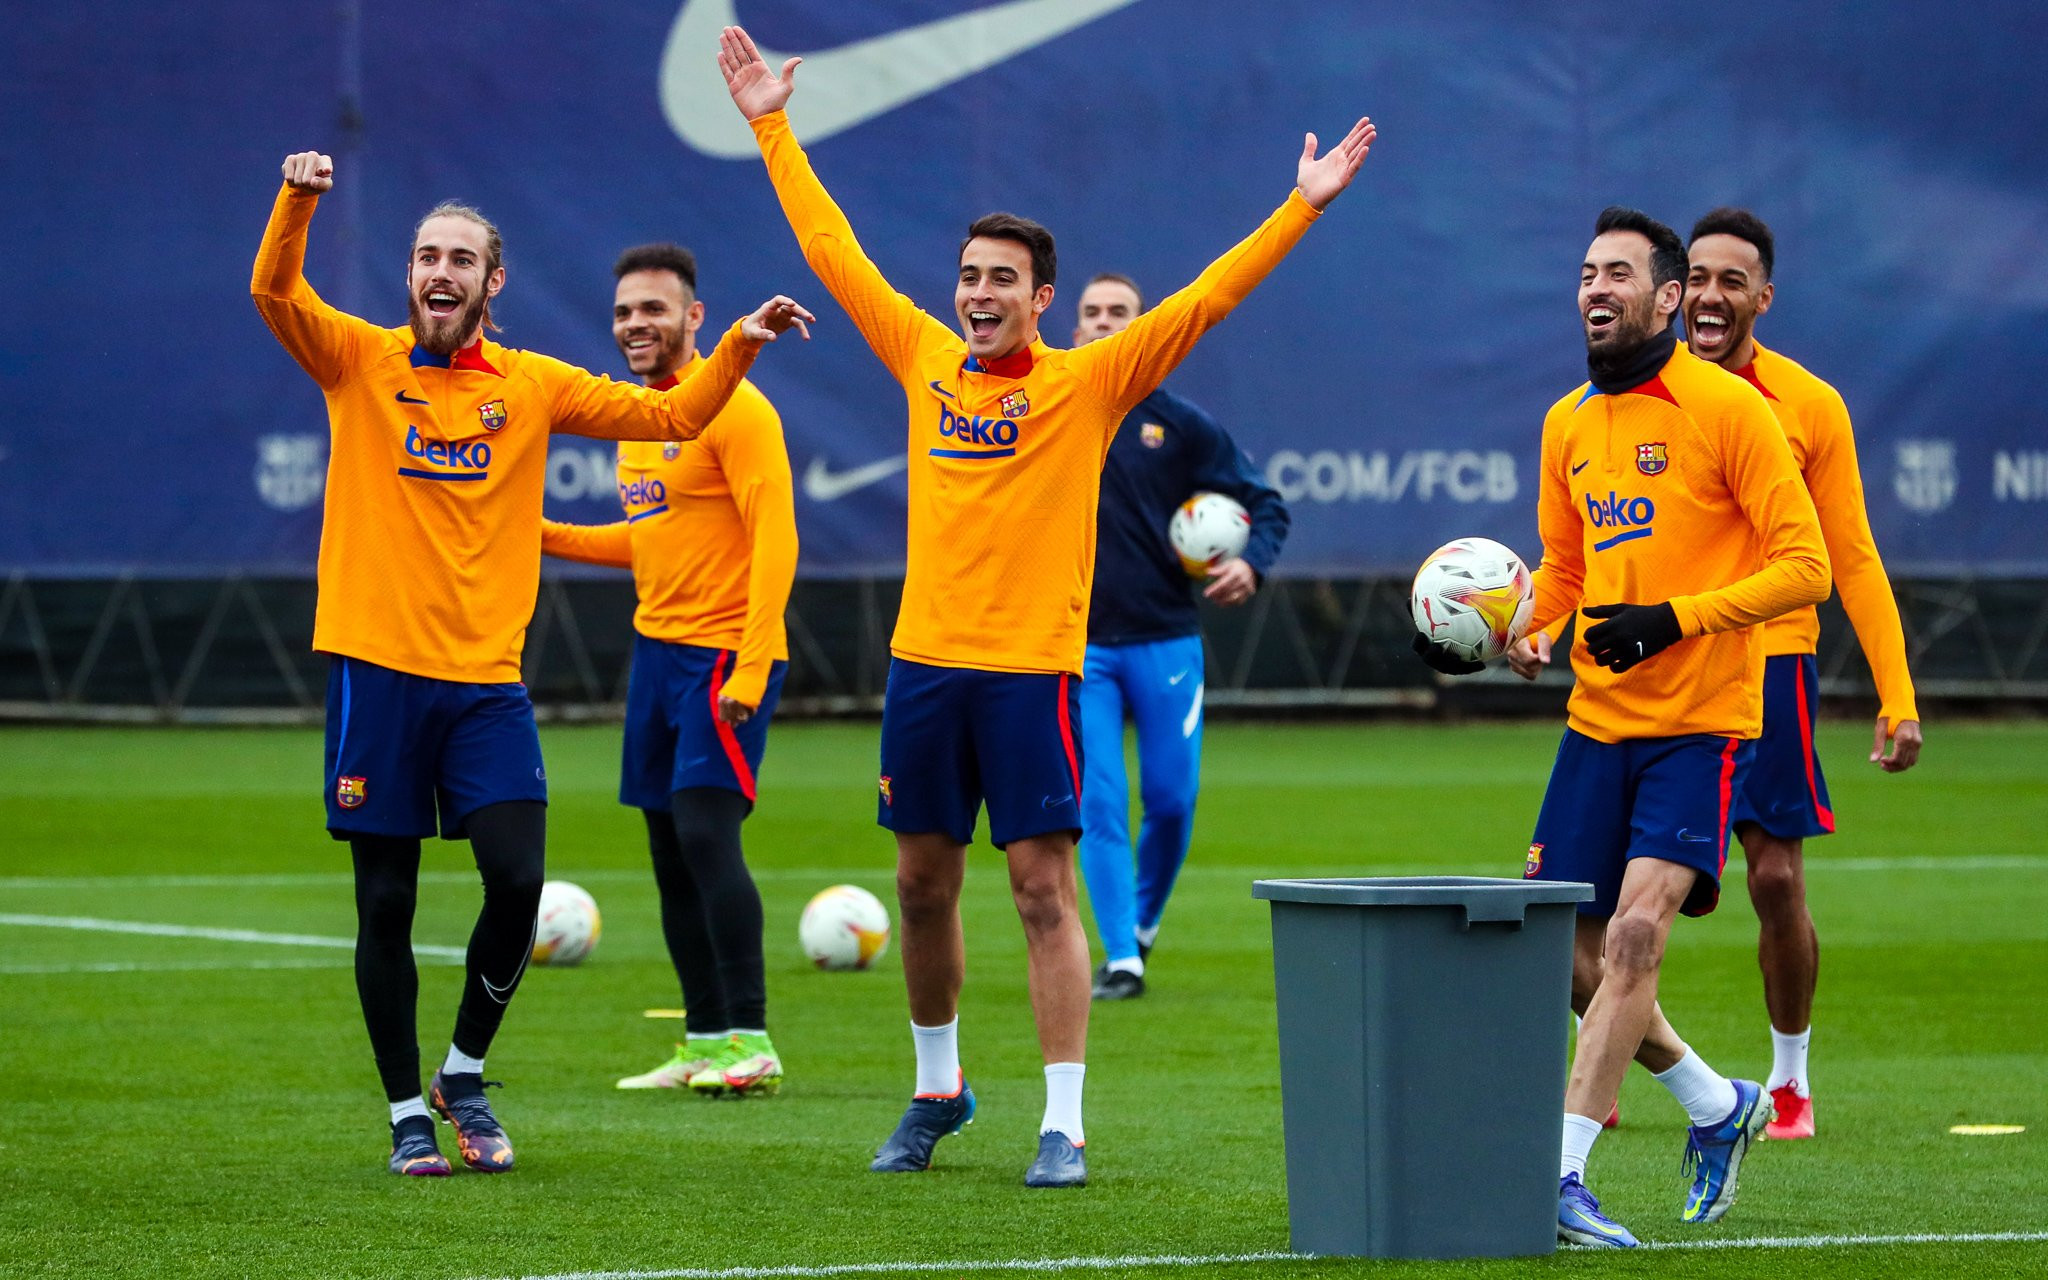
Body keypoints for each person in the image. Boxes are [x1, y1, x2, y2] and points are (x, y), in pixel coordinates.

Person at [716, 24, 1373, 1187]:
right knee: (920, 883)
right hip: (924, 664)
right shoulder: (920, 355)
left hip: (1032, 669)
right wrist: (771, 120)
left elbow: (1207, 301)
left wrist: (1300, 205)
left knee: (1037, 887)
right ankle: (937, 1088)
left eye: (1000, 280)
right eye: (967, 276)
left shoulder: (1090, 380)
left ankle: (1062, 1119)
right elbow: (830, 248)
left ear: (1042, 297)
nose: (976, 295)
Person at [252, 151, 810, 1176]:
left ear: (490, 283)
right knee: (386, 902)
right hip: (375, 671)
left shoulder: (534, 384)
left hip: (485, 685)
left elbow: (671, 414)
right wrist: (300, 201)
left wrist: (734, 345)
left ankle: (462, 1072)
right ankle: (402, 1110)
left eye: (461, 257)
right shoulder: (357, 361)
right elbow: (272, 289)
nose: (440, 269)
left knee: (517, 879)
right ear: (410, 271)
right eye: (426, 253)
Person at [1418, 207, 1830, 1246]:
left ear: (1666, 296)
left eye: (1616, 273)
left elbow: (1805, 566)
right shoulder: (1568, 422)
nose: (1594, 288)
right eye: (1584, 273)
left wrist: (1674, 621)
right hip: (1596, 722)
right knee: (1560, 949)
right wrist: (1527, 627)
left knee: (1639, 931)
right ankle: (1713, 1100)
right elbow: (1559, 565)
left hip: (1703, 721)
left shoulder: (1729, 410)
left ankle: (1559, 1175)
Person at [1682, 207, 1921, 1137]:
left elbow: (1852, 557)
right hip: (1661, 657)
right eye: (1698, 277)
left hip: (1772, 658)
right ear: (1675, 288)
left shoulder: (1808, 405)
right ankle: (1613, 1055)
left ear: (1762, 298)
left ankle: (1788, 1079)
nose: (1710, 295)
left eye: (1731, 281)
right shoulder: (1632, 394)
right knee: (1617, 880)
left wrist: (1896, 695)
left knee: (1774, 879)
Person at [542, 243, 801, 1098]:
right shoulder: (639, 418)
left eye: (653, 309)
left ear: (694, 318)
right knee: (666, 851)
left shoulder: (739, 413)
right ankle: (703, 1041)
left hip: (724, 655)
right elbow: (648, 538)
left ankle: (751, 1038)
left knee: (704, 835)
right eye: (623, 312)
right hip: (656, 655)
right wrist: (541, 533)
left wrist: (756, 664)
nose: (634, 325)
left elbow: (775, 538)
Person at [1068, 273, 1290, 1000]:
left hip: (1165, 639)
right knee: (1097, 801)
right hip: (1077, 647)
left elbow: (1265, 502)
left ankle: (1144, 920)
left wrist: (1250, 566)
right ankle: (1120, 955)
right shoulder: (1053, 412)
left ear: (1145, 331)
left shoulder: (1181, 425)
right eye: (1092, 313)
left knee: (1170, 800)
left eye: (1120, 314)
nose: (1104, 324)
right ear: (1073, 328)